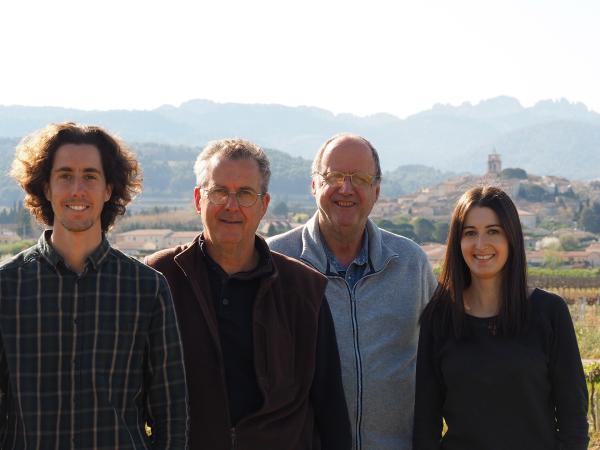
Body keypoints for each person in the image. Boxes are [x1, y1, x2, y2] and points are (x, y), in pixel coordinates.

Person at [145, 138, 350, 449]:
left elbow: (330, 407)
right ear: (199, 199)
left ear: (263, 205)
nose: (231, 205)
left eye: (244, 194)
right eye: (219, 192)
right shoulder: (160, 277)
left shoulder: (303, 289)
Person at [1, 122, 188, 448]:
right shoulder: (6, 287)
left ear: (108, 189)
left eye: (90, 176)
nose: (77, 189)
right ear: (45, 188)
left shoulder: (147, 289)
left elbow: (170, 412)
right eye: (64, 176)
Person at [268, 133, 437, 450]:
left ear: (376, 190)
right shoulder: (274, 263)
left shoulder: (411, 264)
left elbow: (445, 357)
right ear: (314, 185)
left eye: (359, 178)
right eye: (333, 176)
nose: (346, 189)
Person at [413, 186, 589, 450]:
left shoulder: (550, 313)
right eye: (470, 233)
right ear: (457, 242)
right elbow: (425, 423)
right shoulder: (438, 318)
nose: (480, 244)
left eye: (493, 231)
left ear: (511, 238)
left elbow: (573, 418)